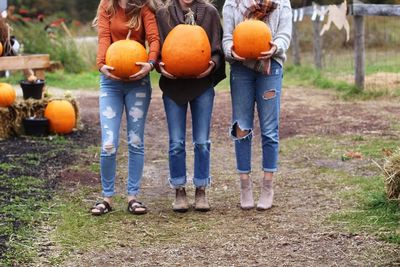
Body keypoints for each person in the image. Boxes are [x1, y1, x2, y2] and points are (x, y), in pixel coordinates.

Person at [90, 0, 160, 216]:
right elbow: (103, 37)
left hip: (137, 82)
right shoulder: (107, 5)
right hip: (110, 82)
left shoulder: (143, 7)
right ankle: (107, 198)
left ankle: (133, 197)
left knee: (135, 141)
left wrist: (150, 63)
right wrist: (101, 64)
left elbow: (154, 39)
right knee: (108, 143)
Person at [156, 0, 225, 212]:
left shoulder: (210, 13)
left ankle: (201, 188)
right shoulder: (164, 14)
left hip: (201, 84)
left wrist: (212, 64)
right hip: (173, 85)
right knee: (176, 142)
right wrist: (159, 65)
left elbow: (217, 48)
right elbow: (156, 48)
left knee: (202, 141)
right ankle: (179, 189)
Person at [222, 0, 292, 210]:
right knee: (242, 127)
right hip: (241, 68)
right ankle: (245, 185)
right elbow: (227, 38)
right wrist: (231, 52)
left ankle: (268, 185)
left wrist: (275, 47)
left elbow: (284, 34)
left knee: (270, 129)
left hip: (271, 68)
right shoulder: (232, 4)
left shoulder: (281, 2)